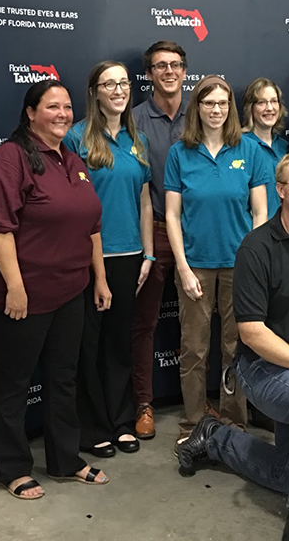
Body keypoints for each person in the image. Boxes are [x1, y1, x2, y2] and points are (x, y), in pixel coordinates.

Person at [177, 150, 289, 541]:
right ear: (280, 190)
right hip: (261, 367)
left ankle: (216, 438)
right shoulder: (256, 248)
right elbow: (252, 333)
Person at [0, 81, 109, 499]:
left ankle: (65, 460)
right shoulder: (8, 159)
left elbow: (91, 226)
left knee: (63, 378)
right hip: (21, 295)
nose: (63, 114)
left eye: (68, 107)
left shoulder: (73, 160)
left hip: (70, 291)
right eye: (52, 107)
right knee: (13, 383)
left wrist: (98, 278)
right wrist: (14, 286)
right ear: (31, 113)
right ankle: (11, 467)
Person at [164, 75, 269, 452]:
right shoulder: (180, 153)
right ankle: (192, 422)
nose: (216, 110)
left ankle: (233, 422)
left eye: (223, 103)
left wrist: (253, 263)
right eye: (208, 103)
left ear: (231, 109)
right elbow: (172, 216)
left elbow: (260, 212)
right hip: (195, 267)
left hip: (239, 268)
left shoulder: (249, 150)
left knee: (235, 348)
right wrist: (183, 267)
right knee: (193, 349)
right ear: (197, 108)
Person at [63, 61, 153, 458]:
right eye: (108, 84)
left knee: (118, 344)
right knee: (88, 345)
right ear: (95, 91)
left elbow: (145, 202)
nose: (118, 90)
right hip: (89, 258)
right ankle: (92, 426)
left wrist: (148, 253)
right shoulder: (76, 138)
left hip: (130, 256)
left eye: (123, 83)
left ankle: (120, 421)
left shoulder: (138, 139)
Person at [129, 40, 189, 440]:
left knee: (200, 323)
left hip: (197, 232)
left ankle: (201, 402)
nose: (169, 71)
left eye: (176, 65)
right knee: (144, 324)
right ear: (148, 74)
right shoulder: (132, 120)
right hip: (150, 230)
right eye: (160, 66)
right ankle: (143, 404)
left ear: (185, 70)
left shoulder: (203, 113)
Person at [241, 77, 288, 217]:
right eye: (262, 102)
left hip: (285, 229)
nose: (269, 108)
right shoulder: (240, 146)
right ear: (251, 108)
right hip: (254, 229)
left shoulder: (285, 147)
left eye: (274, 101)